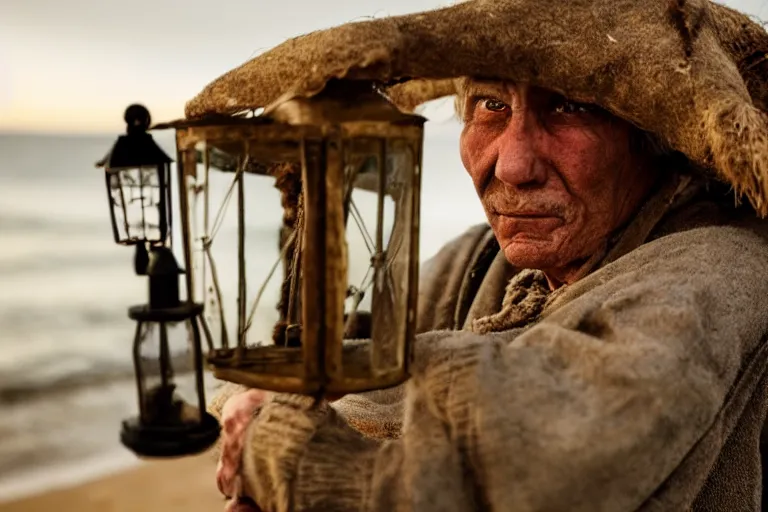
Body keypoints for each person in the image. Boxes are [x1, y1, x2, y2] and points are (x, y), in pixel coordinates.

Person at [183, 0, 768, 510]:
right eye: (489, 105)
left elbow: (516, 479)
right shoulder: (485, 261)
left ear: (654, 137)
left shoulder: (715, 272)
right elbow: (307, 357)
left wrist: (272, 446)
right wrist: (271, 392)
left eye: (568, 107)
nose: (512, 165)